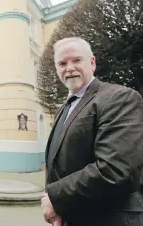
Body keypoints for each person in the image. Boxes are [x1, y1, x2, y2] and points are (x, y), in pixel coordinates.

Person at [42, 37, 143, 226]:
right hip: (73, 216)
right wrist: (60, 209)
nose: (69, 68)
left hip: (109, 218)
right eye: (62, 63)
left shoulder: (119, 97)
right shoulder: (63, 109)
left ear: (92, 63)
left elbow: (115, 169)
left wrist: (55, 197)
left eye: (76, 60)